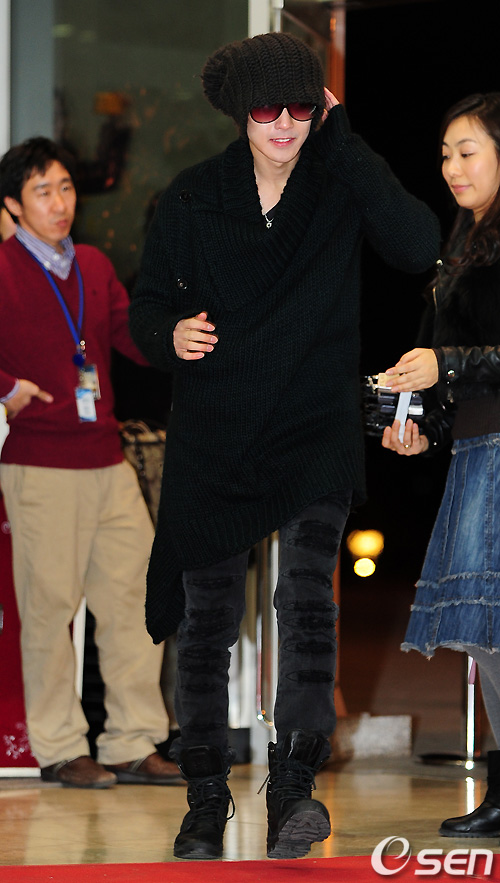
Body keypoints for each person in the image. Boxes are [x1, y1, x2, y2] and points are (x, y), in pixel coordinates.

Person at [129, 32, 440, 860]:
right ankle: (204, 797)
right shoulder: (194, 195)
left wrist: (348, 142)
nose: (284, 124)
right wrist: (169, 334)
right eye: (267, 107)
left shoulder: (338, 184)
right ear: (241, 110)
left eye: (302, 106)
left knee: (307, 606)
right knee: (205, 623)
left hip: (313, 426)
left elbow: (417, 244)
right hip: (217, 432)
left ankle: (295, 788)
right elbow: (145, 305)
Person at [0, 137, 183, 788]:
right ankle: (59, 746)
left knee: (135, 600)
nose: (59, 203)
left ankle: (132, 741)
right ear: (13, 206)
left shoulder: (95, 264)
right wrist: (5, 387)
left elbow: (129, 335)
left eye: (66, 188)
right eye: (42, 192)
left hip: (107, 460)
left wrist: (178, 338)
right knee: (50, 609)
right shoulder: (2, 268)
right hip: (42, 464)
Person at [382, 92, 500, 838]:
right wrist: (419, 425)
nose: (453, 167)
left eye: (469, 151)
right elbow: (449, 371)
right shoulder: (462, 246)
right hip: (478, 453)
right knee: (487, 631)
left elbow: (463, 360)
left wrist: (445, 365)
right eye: (447, 154)